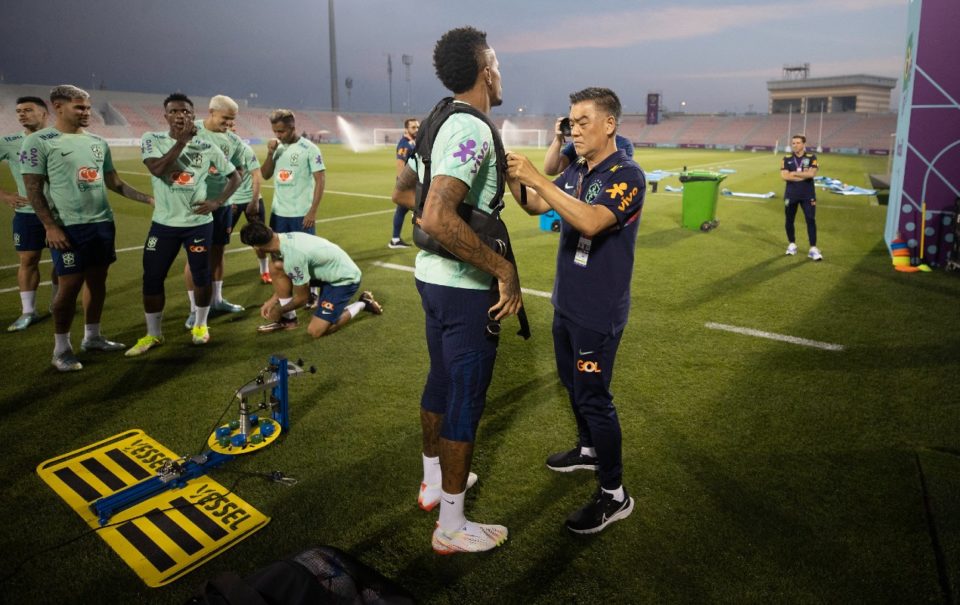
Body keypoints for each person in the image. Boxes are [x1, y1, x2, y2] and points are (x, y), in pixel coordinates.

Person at [391, 26, 522, 555]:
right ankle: (451, 525)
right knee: (465, 397)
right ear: (486, 70)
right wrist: (503, 269)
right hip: (464, 288)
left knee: (441, 382)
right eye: (498, 62)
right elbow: (437, 215)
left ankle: (431, 483)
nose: (501, 71)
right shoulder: (468, 126)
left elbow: (403, 190)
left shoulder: (437, 116)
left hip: (431, 278)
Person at [506, 87, 645, 534]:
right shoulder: (577, 171)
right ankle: (587, 450)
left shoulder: (627, 175)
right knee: (572, 383)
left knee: (594, 398)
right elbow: (533, 206)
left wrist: (537, 176)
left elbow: (590, 221)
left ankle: (614, 495)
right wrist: (513, 176)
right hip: (566, 304)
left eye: (583, 121)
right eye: (571, 121)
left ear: (609, 124)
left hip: (597, 312)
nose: (574, 129)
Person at [21, 85, 153, 371]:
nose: (86, 113)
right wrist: (50, 226)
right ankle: (61, 349)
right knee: (68, 287)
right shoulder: (39, 141)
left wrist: (148, 199)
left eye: (88, 108)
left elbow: (114, 182)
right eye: (79, 107)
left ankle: (92, 337)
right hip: (68, 227)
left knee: (98, 280)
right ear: (58, 106)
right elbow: (33, 189)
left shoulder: (97, 141)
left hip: (101, 223)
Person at [125, 93, 239, 357]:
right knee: (152, 278)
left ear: (192, 114)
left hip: (198, 223)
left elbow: (234, 176)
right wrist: (183, 142)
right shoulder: (152, 140)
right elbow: (158, 169)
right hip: (163, 224)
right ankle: (153, 334)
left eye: (186, 112)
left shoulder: (207, 147)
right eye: (175, 111)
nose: (181, 116)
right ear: (165, 116)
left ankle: (200, 325)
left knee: (201, 276)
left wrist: (218, 201)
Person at [238, 222, 382, 337]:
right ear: (269, 229)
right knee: (276, 266)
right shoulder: (284, 239)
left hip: (344, 280)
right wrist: (273, 299)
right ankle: (289, 320)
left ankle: (363, 303)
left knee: (316, 331)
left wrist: (279, 310)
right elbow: (292, 272)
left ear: (257, 247)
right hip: (326, 271)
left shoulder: (293, 257)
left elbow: (303, 298)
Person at [183, 95, 248, 330]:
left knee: (219, 251)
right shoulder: (191, 131)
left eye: (232, 120)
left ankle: (217, 300)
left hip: (222, 206)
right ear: (211, 112)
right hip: (197, 206)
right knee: (195, 257)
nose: (230, 124)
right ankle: (194, 310)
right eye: (226, 118)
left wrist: (225, 197)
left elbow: (239, 169)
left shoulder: (233, 140)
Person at [1, 96, 58, 332]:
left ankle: (58, 303)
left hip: (60, 214)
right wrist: (5, 196)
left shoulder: (60, 138)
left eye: (28, 110)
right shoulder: (9, 141)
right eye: (18, 111)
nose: (22, 114)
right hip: (27, 213)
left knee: (62, 262)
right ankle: (28, 312)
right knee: (28, 260)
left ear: (44, 113)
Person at [260, 109, 326, 305]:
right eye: (275, 131)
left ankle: (312, 292)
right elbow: (264, 174)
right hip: (278, 214)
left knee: (306, 255)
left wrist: (312, 211)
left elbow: (320, 180)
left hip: (301, 214)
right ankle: (286, 293)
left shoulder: (309, 148)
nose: (278, 136)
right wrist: (271, 153)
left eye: (281, 131)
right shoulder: (278, 148)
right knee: (278, 257)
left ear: (292, 128)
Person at [225, 124, 270, 284]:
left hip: (251, 200)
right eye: (227, 125)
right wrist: (227, 200)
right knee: (221, 240)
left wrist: (254, 200)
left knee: (260, 239)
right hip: (230, 203)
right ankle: (216, 279)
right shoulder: (216, 150)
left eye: (232, 126)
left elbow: (256, 175)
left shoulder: (245, 149)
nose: (231, 128)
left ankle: (265, 271)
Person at [543, 117, 634, 176]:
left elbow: (614, 175)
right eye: (573, 123)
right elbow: (551, 170)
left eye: (583, 123)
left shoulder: (622, 144)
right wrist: (558, 138)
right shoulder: (577, 144)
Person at [781, 134, 821, 260]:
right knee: (789, 220)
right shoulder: (786, 158)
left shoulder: (811, 157)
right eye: (793, 143)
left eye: (798, 143)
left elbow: (812, 174)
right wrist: (803, 175)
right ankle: (792, 244)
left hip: (807, 195)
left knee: (810, 219)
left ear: (804, 144)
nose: (795, 145)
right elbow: (784, 176)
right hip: (790, 195)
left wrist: (793, 173)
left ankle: (813, 248)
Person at [388, 118, 418, 249]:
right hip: (407, 183)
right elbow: (400, 163)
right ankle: (395, 240)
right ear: (406, 129)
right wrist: (402, 183)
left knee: (402, 211)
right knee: (419, 209)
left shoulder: (411, 142)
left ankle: (395, 239)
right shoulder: (404, 144)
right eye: (413, 127)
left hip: (412, 182)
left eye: (417, 127)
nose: (416, 129)